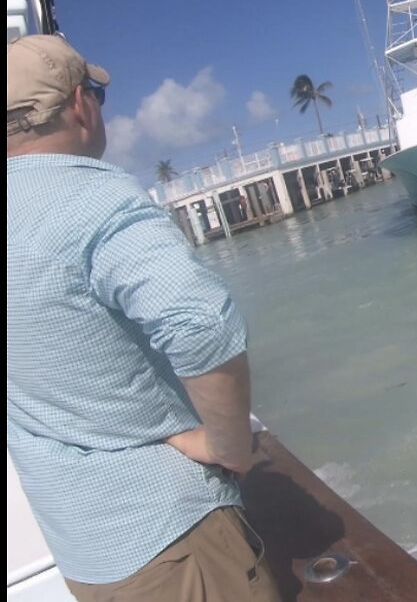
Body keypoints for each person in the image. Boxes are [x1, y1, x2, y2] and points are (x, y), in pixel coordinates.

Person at [6, 35, 280, 602]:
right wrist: (225, 447)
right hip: (172, 537)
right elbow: (202, 325)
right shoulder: (91, 198)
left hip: (86, 552)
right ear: (80, 103)